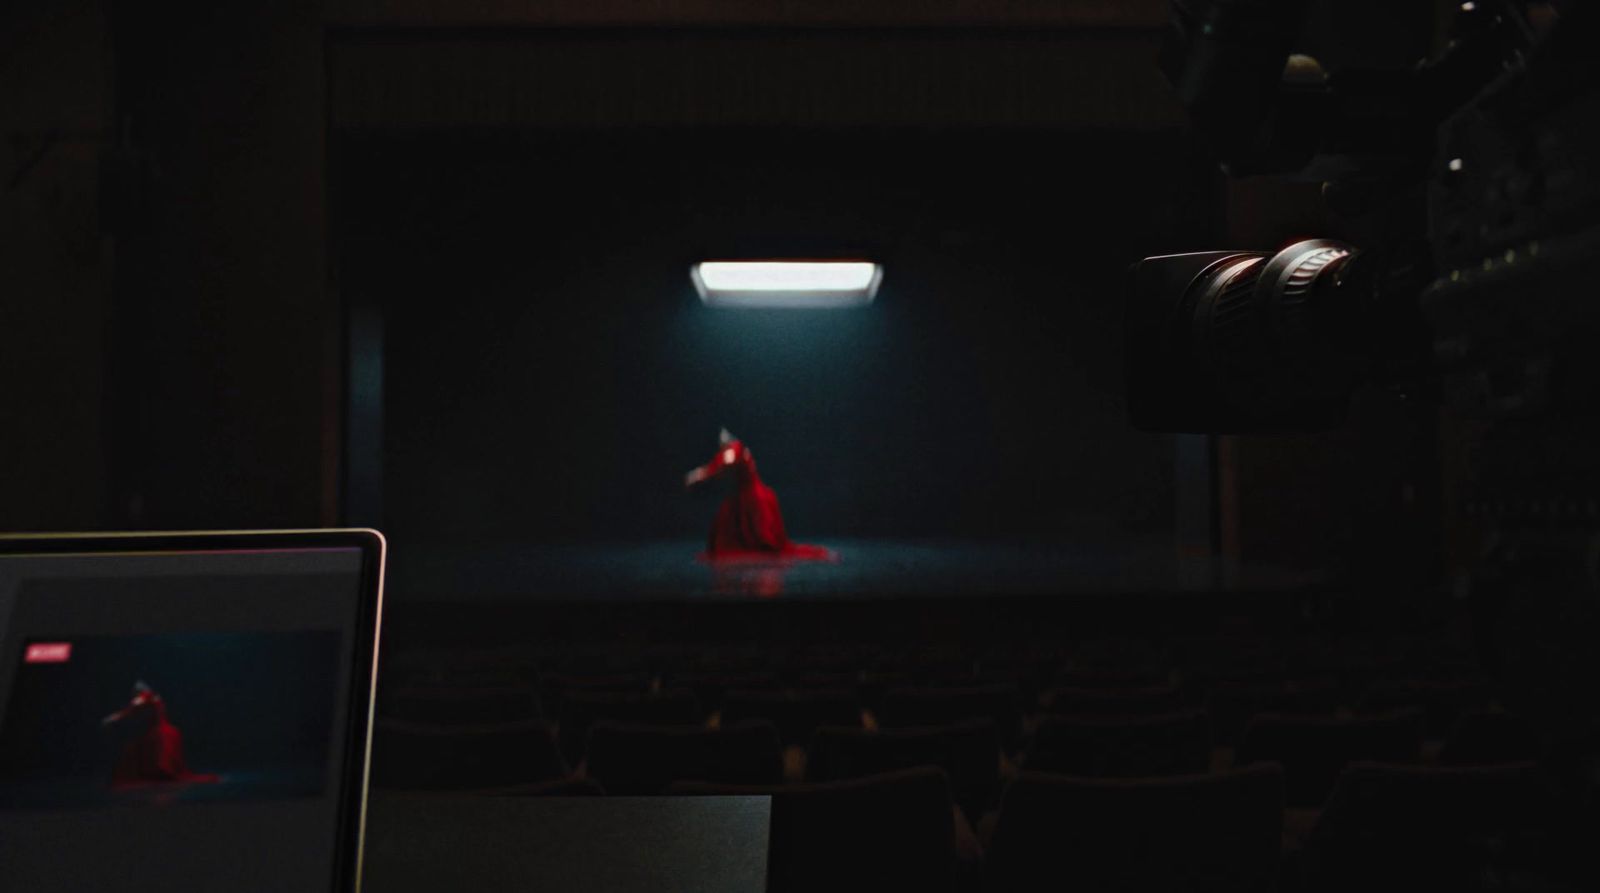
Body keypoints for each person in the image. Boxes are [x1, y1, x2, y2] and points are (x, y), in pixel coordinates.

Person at [684, 429, 834, 561]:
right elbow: (717, 466)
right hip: (744, 495)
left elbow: (724, 465)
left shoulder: (735, 449)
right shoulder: (730, 451)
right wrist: (700, 474)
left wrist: (699, 475)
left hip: (753, 497)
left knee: (750, 529)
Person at [101, 681, 218, 787]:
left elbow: (128, 711)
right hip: (167, 730)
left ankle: (154, 773)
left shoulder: (142, 699)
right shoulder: (156, 697)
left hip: (157, 732)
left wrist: (111, 719)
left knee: (134, 749)